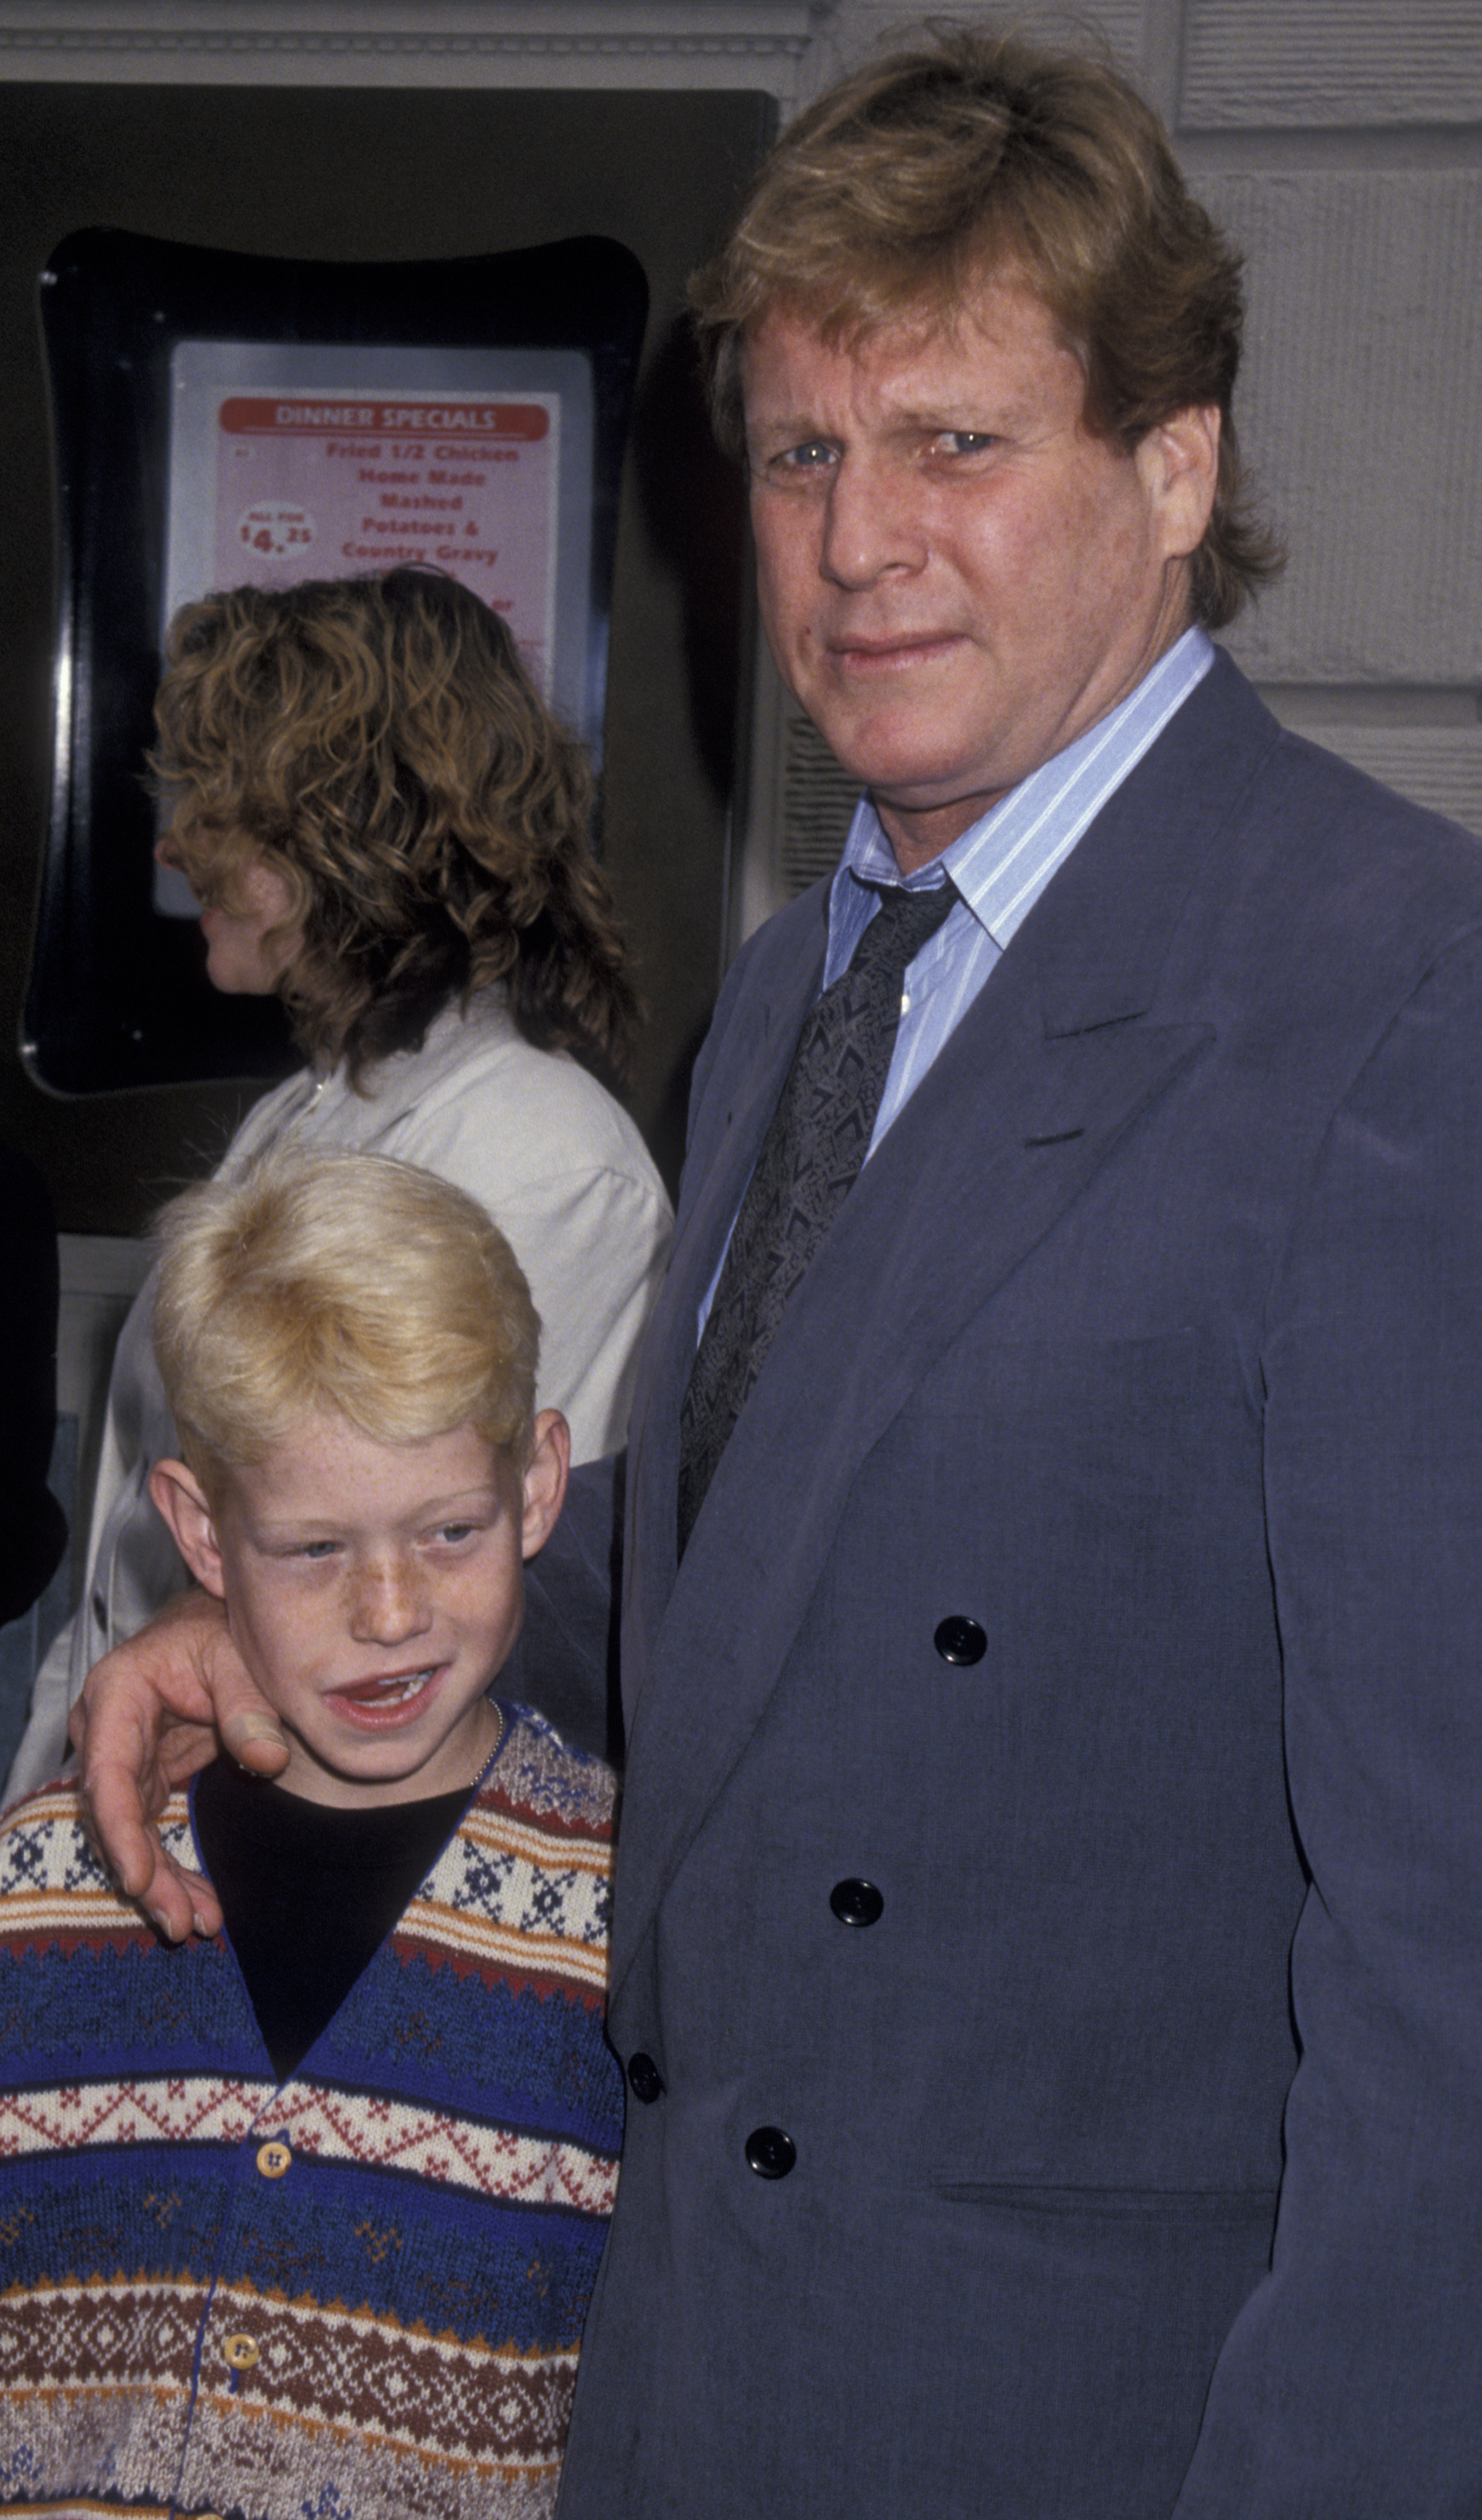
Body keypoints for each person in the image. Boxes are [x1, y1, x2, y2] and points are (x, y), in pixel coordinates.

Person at [71, 28, 1482, 2516]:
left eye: (956, 443)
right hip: (702, 2382)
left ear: (1174, 467)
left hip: (1082, 2433)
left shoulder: (1392, 991)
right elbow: (765, 1557)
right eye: (802, 453)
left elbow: (1447, 1961)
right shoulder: (807, 987)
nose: (854, 545)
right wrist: (308, 1616)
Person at [0, 1147, 623, 2513]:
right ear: (201, 1537)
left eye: (450, 1530)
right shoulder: (44, 1887)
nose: (390, 1612)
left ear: (537, 1490)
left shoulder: (626, 1922)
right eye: (312, 1549)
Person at [4, 565, 670, 1800]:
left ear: (345, 828)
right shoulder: (301, 1115)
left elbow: (458, 1626)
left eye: (216, 801)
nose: (173, 842)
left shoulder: (542, 1158)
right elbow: (133, 1570)